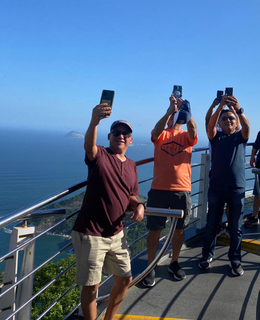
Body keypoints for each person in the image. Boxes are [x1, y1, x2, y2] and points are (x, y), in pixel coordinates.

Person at [71, 104, 145, 320]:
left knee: (125, 279)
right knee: (92, 287)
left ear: (130, 140)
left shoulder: (131, 165)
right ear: (110, 136)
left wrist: (140, 205)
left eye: (125, 133)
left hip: (116, 233)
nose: (121, 136)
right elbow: (89, 146)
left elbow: (131, 195)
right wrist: (94, 121)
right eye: (116, 132)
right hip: (91, 233)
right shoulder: (100, 154)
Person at [143, 94, 197, 287]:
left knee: (180, 230)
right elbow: (156, 132)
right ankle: (150, 266)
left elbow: (193, 131)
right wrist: (169, 110)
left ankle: (174, 262)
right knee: (154, 230)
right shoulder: (161, 134)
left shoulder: (186, 136)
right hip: (158, 188)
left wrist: (187, 112)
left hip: (182, 189)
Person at [199, 94, 249, 276]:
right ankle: (206, 256)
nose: (228, 120)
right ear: (220, 122)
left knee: (236, 227)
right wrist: (220, 106)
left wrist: (238, 109)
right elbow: (210, 126)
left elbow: (247, 127)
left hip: (237, 188)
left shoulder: (240, 137)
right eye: (225, 118)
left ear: (236, 123)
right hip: (217, 187)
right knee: (212, 223)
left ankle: (235, 260)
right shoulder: (215, 137)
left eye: (231, 119)